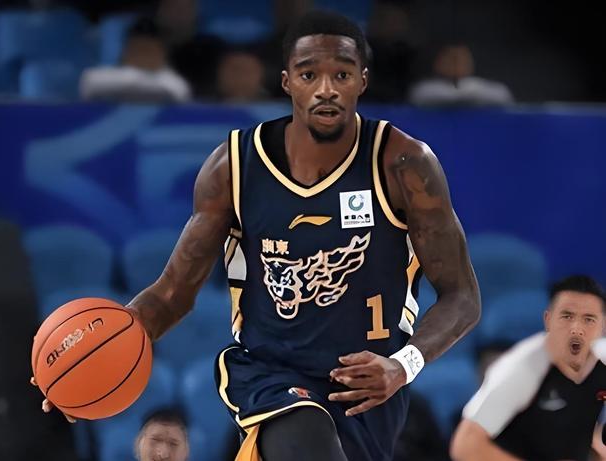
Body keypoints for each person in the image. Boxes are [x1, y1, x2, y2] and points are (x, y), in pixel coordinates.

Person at [43, 10, 481, 461]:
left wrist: (402, 365)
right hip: (269, 376)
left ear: (362, 81)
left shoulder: (403, 163)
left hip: (367, 389)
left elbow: (463, 297)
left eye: (342, 74)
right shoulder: (234, 167)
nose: (326, 89)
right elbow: (173, 293)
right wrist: (90, 357)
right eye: (309, 74)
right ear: (287, 81)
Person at [450, 275, 606, 461]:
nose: (577, 328)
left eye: (589, 319)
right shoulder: (522, 368)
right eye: (567, 316)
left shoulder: (600, 362)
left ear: (603, 326)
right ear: (548, 320)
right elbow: (465, 445)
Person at [79, 17, 191, 103]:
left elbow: (174, 91)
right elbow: (90, 84)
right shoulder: (97, 78)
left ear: (162, 54)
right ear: (126, 51)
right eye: (138, 49)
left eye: (148, 50)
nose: (142, 55)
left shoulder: (175, 84)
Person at [408, 42, 514, 107]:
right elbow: (421, 96)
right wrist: (463, 97)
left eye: (462, 59)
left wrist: (469, 94)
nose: (456, 64)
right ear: (438, 63)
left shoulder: (479, 86)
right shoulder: (426, 88)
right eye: (451, 59)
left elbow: (503, 95)